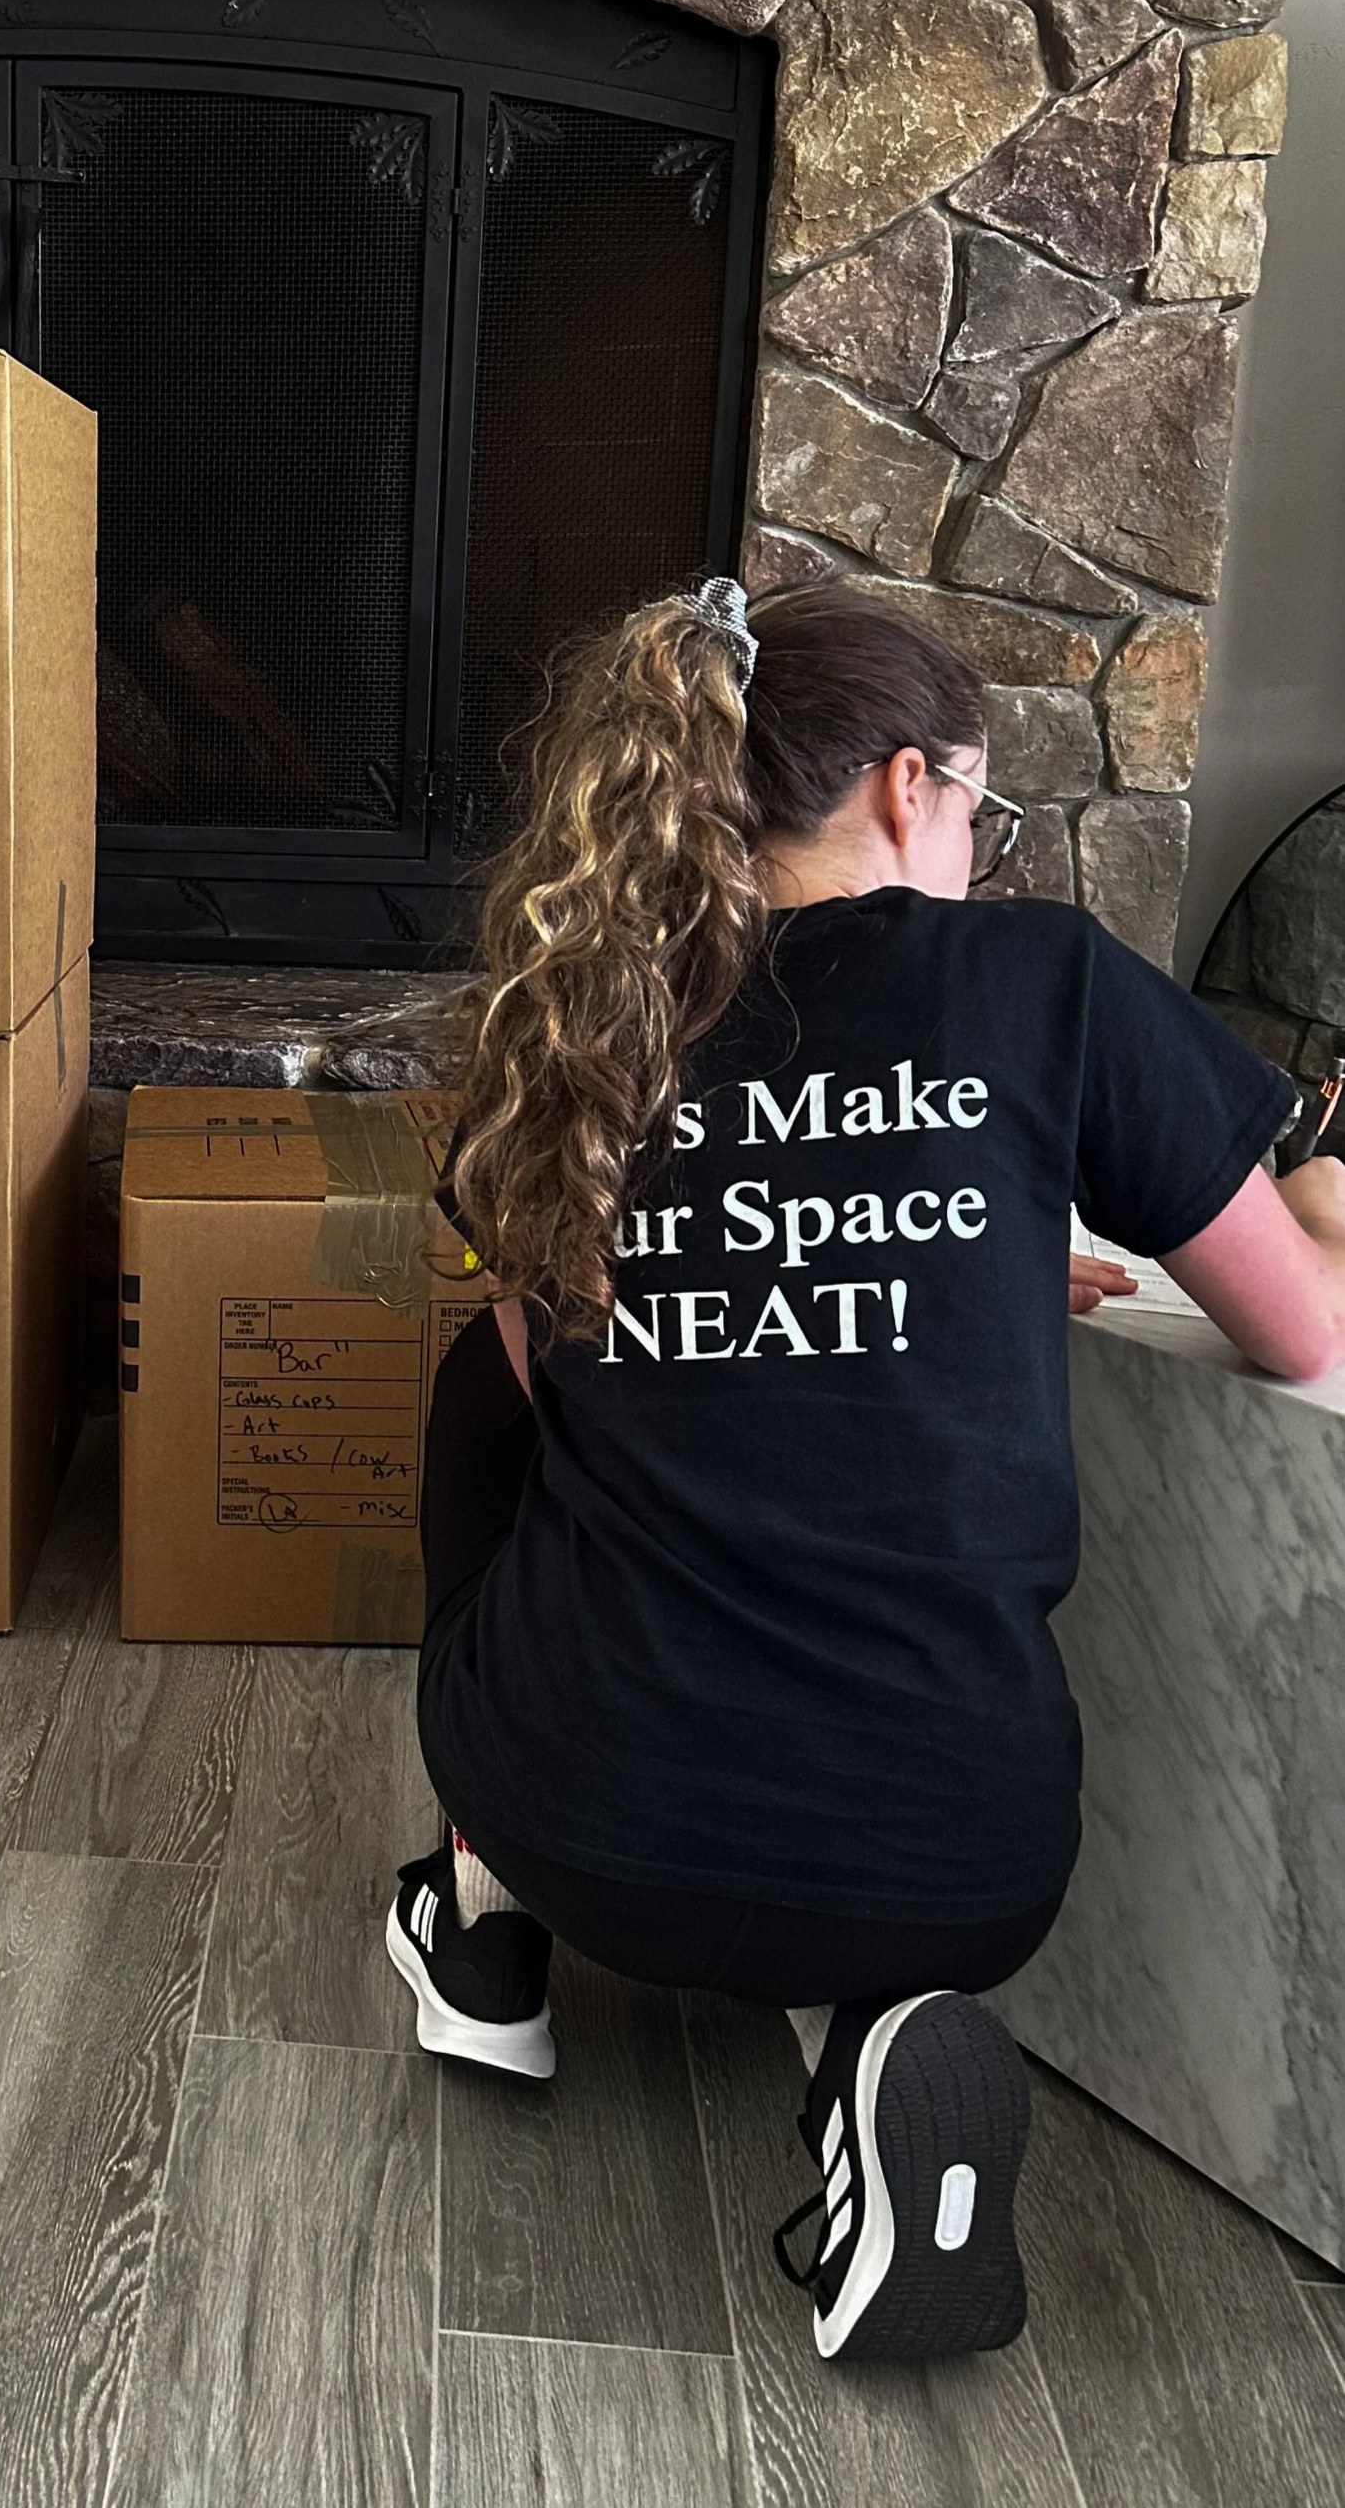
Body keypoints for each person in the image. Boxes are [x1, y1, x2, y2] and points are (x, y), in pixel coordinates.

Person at [386, 576, 1345, 2365]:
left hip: (585, 1816)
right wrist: (1320, 1190)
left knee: (481, 1370)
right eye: (976, 806)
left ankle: (483, 1900)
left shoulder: (587, 1020)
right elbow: (1305, 1333)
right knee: (880, 1859)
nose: (975, 848)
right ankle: (884, 2029)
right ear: (911, 784)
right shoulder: (1040, 981)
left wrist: (906, 1250)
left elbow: (553, 1372)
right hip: (967, 1867)